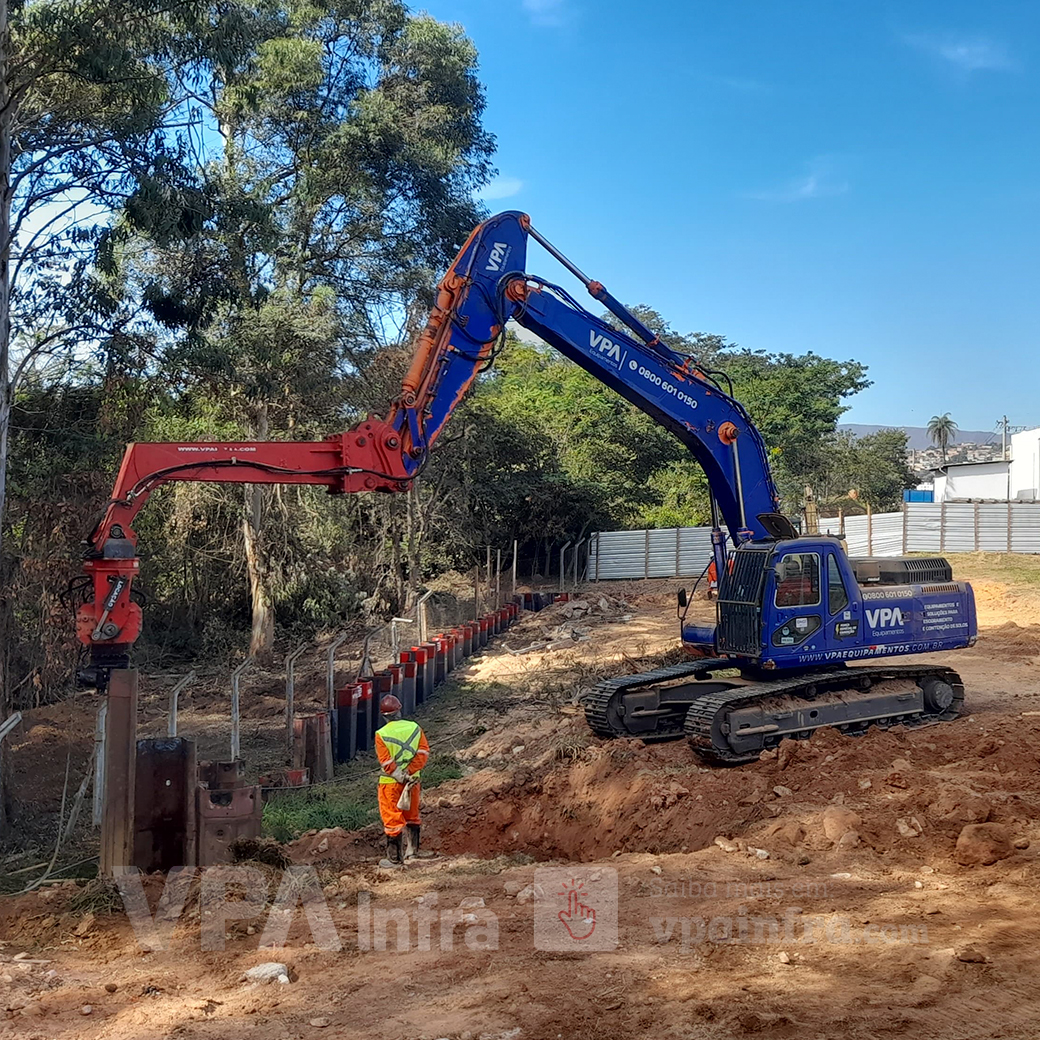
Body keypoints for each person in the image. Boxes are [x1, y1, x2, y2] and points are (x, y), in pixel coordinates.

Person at [374, 694, 430, 866]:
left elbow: (386, 762)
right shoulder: (415, 728)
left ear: (384, 715)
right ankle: (412, 853)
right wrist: (409, 772)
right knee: (412, 816)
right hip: (412, 782)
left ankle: (394, 859)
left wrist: (399, 775)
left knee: (392, 819)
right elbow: (423, 753)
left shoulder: (381, 734)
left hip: (391, 783)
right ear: (399, 710)